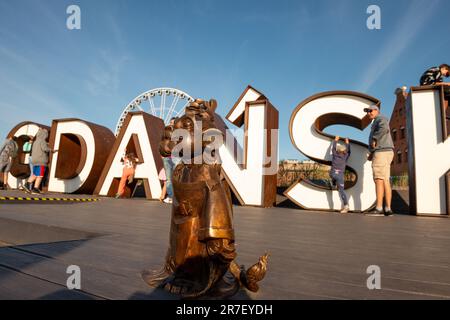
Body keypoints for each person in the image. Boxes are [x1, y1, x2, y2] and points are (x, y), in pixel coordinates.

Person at [365, 105, 395, 216]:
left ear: (376, 111)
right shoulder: (378, 119)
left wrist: (374, 138)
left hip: (382, 152)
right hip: (385, 151)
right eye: (367, 111)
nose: (368, 113)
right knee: (385, 180)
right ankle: (388, 209)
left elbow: (384, 128)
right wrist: (372, 153)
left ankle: (378, 208)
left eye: (370, 110)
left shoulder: (380, 118)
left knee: (378, 179)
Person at [23, 128, 57, 194]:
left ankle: (27, 185)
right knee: (40, 176)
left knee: (35, 174)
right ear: (44, 135)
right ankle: (35, 189)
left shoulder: (35, 142)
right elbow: (45, 149)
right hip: (41, 161)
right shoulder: (42, 141)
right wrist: (51, 150)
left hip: (34, 160)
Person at [330, 136, 351, 213]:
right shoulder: (345, 157)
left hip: (333, 173)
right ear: (344, 151)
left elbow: (333, 148)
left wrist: (335, 140)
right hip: (340, 175)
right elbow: (349, 152)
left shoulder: (335, 155)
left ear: (338, 151)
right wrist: (347, 142)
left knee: (332, 176)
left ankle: (333, 183)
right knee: (342, 191)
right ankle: (346, 206)